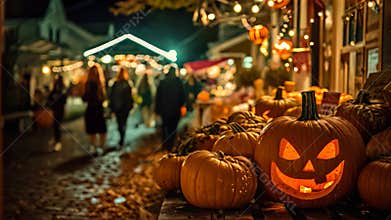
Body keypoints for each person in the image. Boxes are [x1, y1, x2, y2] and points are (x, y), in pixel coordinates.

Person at [155, 66, 185, 151]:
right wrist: (181, 105)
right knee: (173, 128)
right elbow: (182, 96)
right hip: (175, 110)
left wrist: (157, 109)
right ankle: (170, 145)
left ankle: (164, 143)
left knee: (165, 127)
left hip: (164, 109)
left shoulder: (163, 81)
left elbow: (158, 97)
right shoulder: (178, 82)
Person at [82, 64, 107, 155]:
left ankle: (95, 146)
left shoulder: (90, 84)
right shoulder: (98, 84)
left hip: (93, 110)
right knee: (99, 130)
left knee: (95, 130)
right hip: (96, 110)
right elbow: (103, 98)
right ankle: (99, 146)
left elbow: (84, 98)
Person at [109, 67, 134, 147]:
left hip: (117, 107)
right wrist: (131, 106)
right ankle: (122, 137)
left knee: (119, 122)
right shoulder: (128, 83)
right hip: (125, 108)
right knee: (124, 122)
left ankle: (121, 137)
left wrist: (112, 107)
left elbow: (111, 96)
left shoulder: (115, 83)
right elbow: (130, 97)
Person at [47, 75, 67, 151]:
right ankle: (56, 140)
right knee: (55, 126)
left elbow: (64, 100)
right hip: (55, 109)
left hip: (59, 110)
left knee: (57, 126)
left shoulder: (62, 89)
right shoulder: (55, 89)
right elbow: (50, 98)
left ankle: (58, 142)